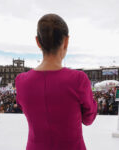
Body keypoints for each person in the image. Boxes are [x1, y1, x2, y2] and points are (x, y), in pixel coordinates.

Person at [15, 14, 97, 150]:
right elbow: (89, 119)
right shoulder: (78, 79)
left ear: (38, 42)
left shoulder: (21, 81)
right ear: (66, 41)